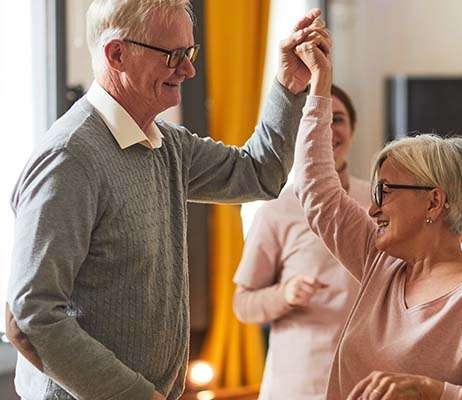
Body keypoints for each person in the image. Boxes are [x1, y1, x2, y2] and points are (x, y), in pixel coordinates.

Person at [4, 1, 329, 398]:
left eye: (190, 53)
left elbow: (258, 174)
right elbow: (31, 318)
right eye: (174, 55)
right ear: (117, 54)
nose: (189, 70)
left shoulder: (165, 144)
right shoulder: (70, 158)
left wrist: (288, 85)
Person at [290, 35, 462, 399]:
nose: (373, 208)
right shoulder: (381, 263)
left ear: (434, 202)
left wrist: (433, 391)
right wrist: (318, 86)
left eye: (385, 192)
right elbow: (315, 187)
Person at [232, 84, 371, 399]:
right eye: (316, 119)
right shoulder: (277, 207)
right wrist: (286, 294)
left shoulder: (377, 202)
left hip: (367, 381)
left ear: (353, 129)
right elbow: (244, 305)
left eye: (337, 119)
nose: (327, 129)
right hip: (299, 383)